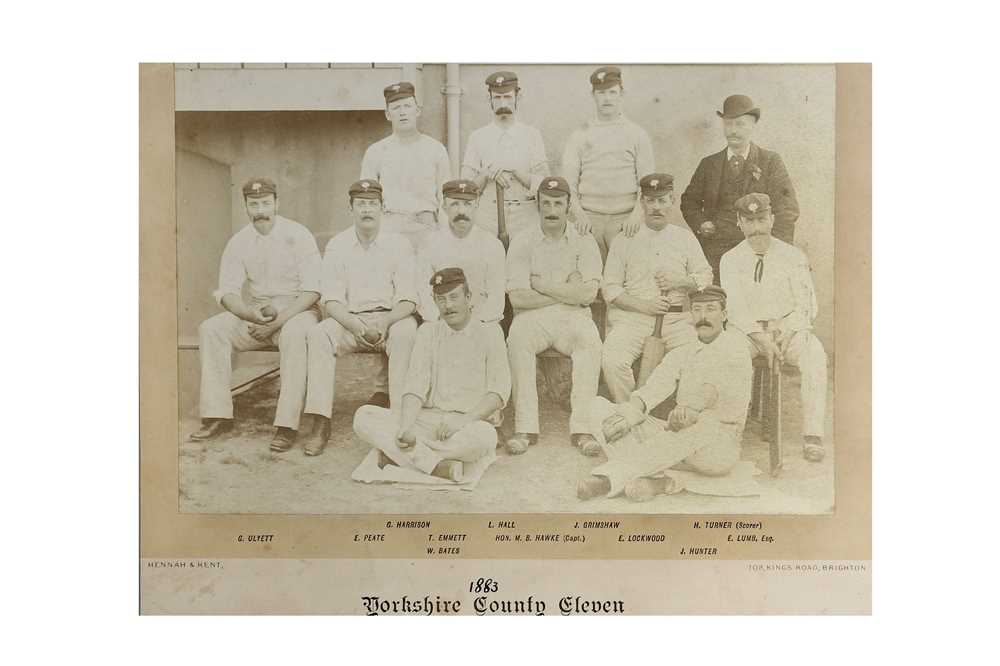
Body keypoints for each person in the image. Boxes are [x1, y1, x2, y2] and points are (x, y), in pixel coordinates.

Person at [577, 286, 753, 502]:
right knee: (598, 407)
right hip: (677, 439)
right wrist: (629, 414)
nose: (703, 317)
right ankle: (659, 480)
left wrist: (692, 411)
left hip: (717, 445)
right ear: (691, 315)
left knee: (702, 427)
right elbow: (655, 387)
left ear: (724, 315)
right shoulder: (685, 350)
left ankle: (607, 480)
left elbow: (711, 391)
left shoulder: (736, 347)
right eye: (697, 310)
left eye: (711, 309)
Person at [190, 178, 321, 453]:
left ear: (277, 203)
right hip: (257, 313)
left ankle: (287, 424)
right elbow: (227, 292)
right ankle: (217, 415)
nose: (260, 210)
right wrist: (249, 314)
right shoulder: (239, 242)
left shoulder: (298, 234)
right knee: (211, 328)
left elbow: (312, 291)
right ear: (246, 207)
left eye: (265, 203)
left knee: (296, 334)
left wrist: (279, 320)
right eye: (254, 204)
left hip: (297, 310)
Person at [353, 267, 511, 482]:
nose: (449, 305)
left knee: (486, 438)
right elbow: (414, 387)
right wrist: (407, 427)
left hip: (466, 423)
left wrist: (463, 421)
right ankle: (434, 465)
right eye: (441, 299)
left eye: (454, 297)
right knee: (364, 416)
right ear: (434, 302)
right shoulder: (428, 332)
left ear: (468, 297)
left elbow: (498, 392)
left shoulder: (490, 333)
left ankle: (400, 458)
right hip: (426, 421)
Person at [299, 179, 418, 456]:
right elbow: (331, 300)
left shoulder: (399, 243)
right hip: (349, 322)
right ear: (350, 208)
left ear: (382, 208)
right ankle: (320, 421)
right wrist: (355, 324)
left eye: (372, 204)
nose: (367, 210)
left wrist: (386, 322)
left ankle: (399, 419)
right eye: (361, 204)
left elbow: (409, 299)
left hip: (390, 320)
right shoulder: (338, 245)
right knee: (319, 335)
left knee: (406, 332)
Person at [720, 193, 828, 462]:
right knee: (730, 352)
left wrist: (786, 332)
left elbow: (806, 304)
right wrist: (761, 338)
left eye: (761, 219)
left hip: (786, 331)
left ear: (772, 219)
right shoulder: (730, 259)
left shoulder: (793, 256)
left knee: (815, 355)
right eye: (749, 221)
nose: (756, 228)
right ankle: (730, 432)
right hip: (749, 333)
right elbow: (734, 309)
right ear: (739, 223)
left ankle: (813, 435)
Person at [505, 176, 602, 456]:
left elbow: (588, 295)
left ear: (568, 206)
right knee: (517, 338)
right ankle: (525, 428)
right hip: (532, 317)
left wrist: (542, 285)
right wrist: (567, 288)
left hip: (573, 316)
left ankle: (583, 429)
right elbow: (518, 299)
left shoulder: (583, 239)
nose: (551, 210)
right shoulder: (523, 240)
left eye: (558, 203)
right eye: (546, 203)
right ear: (537, 205)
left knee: (590, 341)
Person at [601, 173, 714, 403]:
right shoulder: (625, 240)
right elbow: (610, 289)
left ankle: (678, 417)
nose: (656, 207)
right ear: (642, 202)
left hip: (676, 321)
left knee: (698, 358)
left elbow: (706, 276)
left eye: (662, 200)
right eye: (651, 201)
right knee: (612, 361)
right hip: (633, 319)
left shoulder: (685, 238)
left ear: (672, 201)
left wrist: (680, 281)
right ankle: (630, 414)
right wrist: (645, 306)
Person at [680, 94, 799, 283]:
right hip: (716, 252)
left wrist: (775, 251)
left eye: (740, 124)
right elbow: (688, 201)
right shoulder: (709, 164)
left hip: (758, 249)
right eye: (728, 124)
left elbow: (787, 209)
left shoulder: (770, 161)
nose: (733, 131)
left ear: (753, 125)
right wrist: (701, 224)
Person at [562, 65, 654, 259]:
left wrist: (636, 215)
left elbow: (646, 185)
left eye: (612, 92)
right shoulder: (579, 134)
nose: (607, 98)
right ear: (593, 95)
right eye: (601, 93)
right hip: (588, 218)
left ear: (621, 94)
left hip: (626, 219)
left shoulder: (637, 134)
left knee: (627, 276)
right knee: (588, 277)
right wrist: (579, 215)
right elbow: (568, 185)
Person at [360, 81, 451, 253]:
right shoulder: (376, 151)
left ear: (417, 111)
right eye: (395, 108)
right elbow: (367, 200)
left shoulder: (435, 149)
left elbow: (444, 197)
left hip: (426, 228)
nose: (402, 112)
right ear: (387, 114)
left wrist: (445, 235)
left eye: (407, 106)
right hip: (390, 229)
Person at [461, 70, 548, 243]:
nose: (503, 103)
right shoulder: (477, 137)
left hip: (525, 215)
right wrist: (486, 174)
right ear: (489, 100)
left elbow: (544, 184)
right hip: (488, 217)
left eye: (508, 97)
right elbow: (465, 188)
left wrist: (517, 171)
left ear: (518, 96)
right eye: (497, 98)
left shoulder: (532, 135)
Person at [416, 179, 506, 326]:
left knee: (494, 338)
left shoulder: (492, 245)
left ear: (476, 205)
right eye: (454, 204)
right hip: (441, 321)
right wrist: (440, 320)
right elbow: (423, 293)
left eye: (467, 204)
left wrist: (477, 323)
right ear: (444, 207)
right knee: (425, 335)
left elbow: (496, 297)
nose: (461, 211)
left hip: (481, 322)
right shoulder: (429, 244)